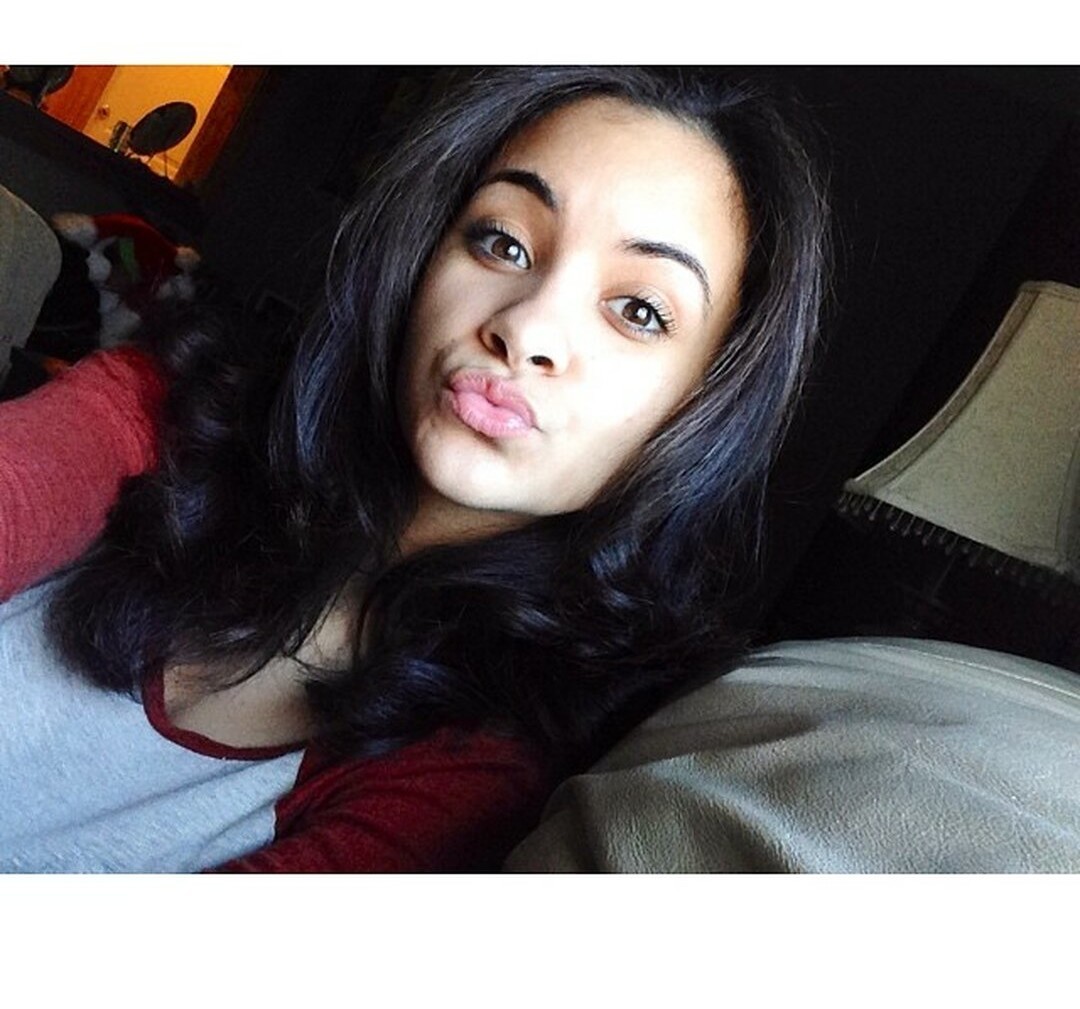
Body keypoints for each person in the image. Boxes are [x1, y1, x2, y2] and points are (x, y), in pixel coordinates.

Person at [0, 66, 830, 872]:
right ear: (423, 256)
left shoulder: (472, 776)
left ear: (705, 403)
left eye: (639, 309)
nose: (527, 328)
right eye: (503, 241)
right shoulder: (159, 411)